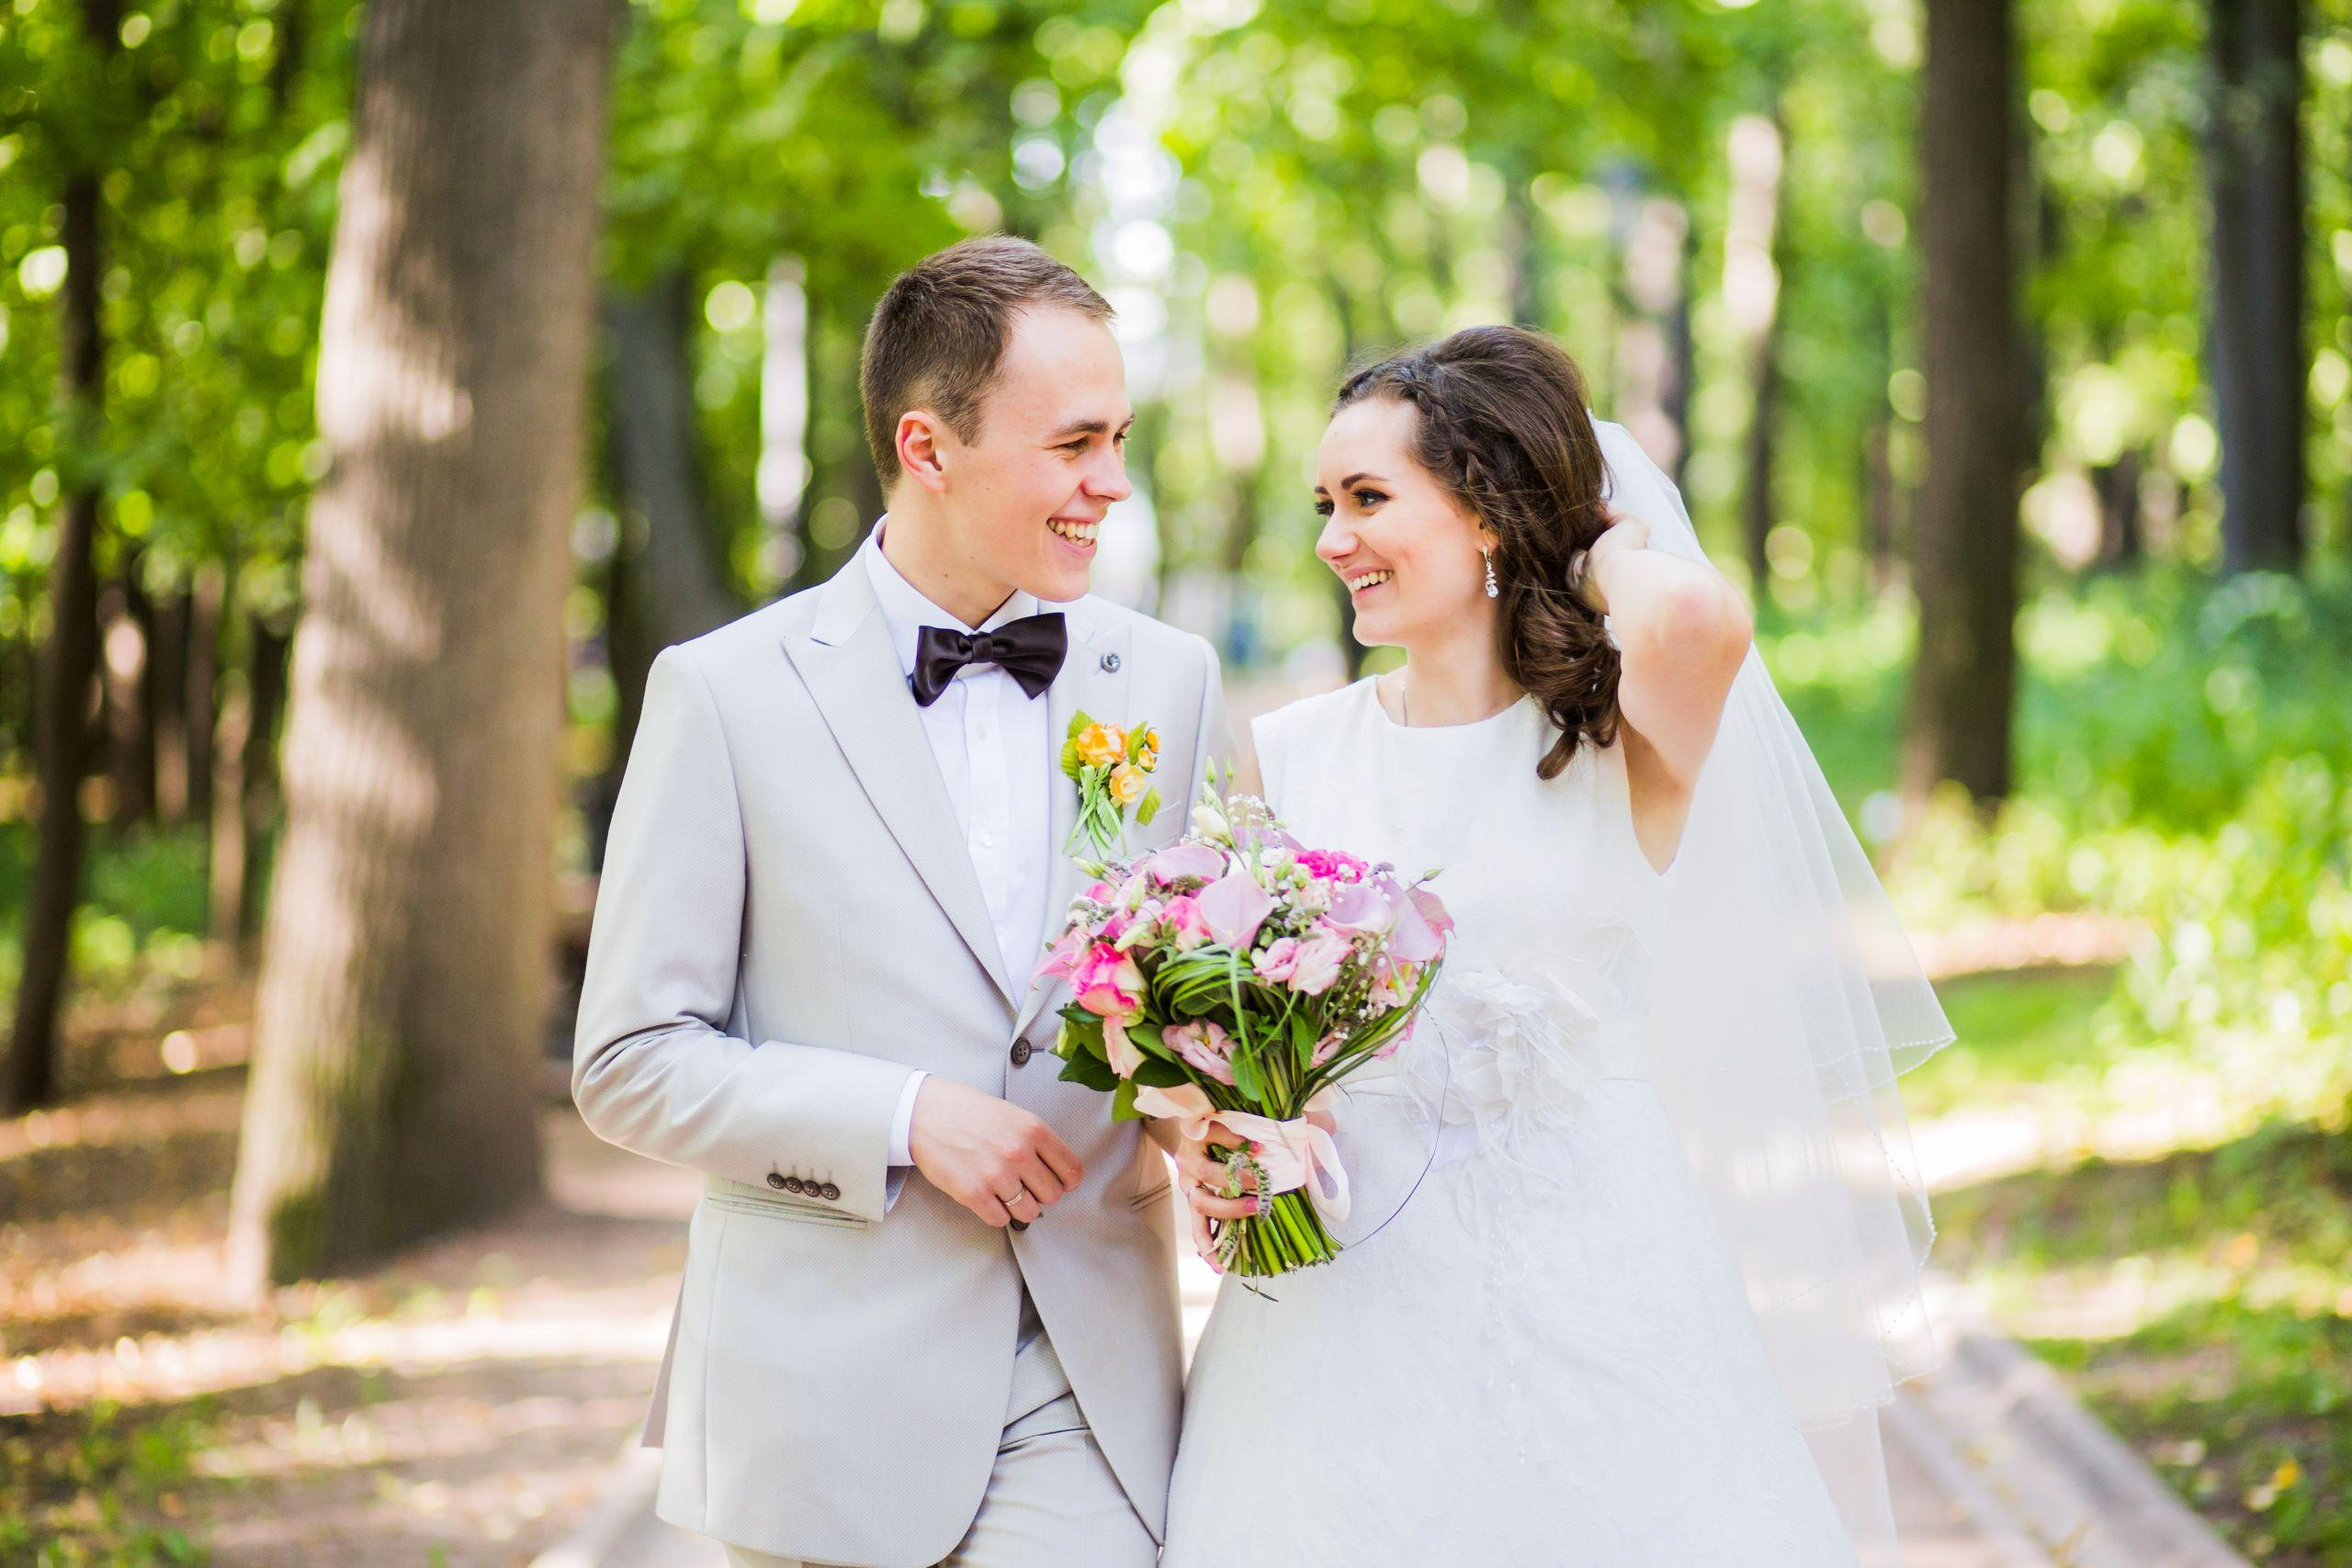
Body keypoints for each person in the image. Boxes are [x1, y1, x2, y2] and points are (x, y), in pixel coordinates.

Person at [1161, 324, 1950, 1566]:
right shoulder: (1292, 756)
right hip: (1339, 1320)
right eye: (1325, 502)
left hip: (1603, 1301)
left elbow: (1692, 612)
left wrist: (1593, 548)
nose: (1332, 541)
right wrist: (1217, 1130)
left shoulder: (1621, 742)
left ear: (1484, 511)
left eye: (1370, 498)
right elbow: (1235, 1040)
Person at [574, 235, 1228, 1568]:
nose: (1112, 483)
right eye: (1075, 444)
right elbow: (630, 1062)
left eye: (1122, 438)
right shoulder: (728, 693)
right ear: (928, 448)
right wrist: (905, 1118)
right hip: (820, 1390)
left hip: (1084, 1379)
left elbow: (1191, 1005)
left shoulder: (1166, 682)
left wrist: (1220, 1124)